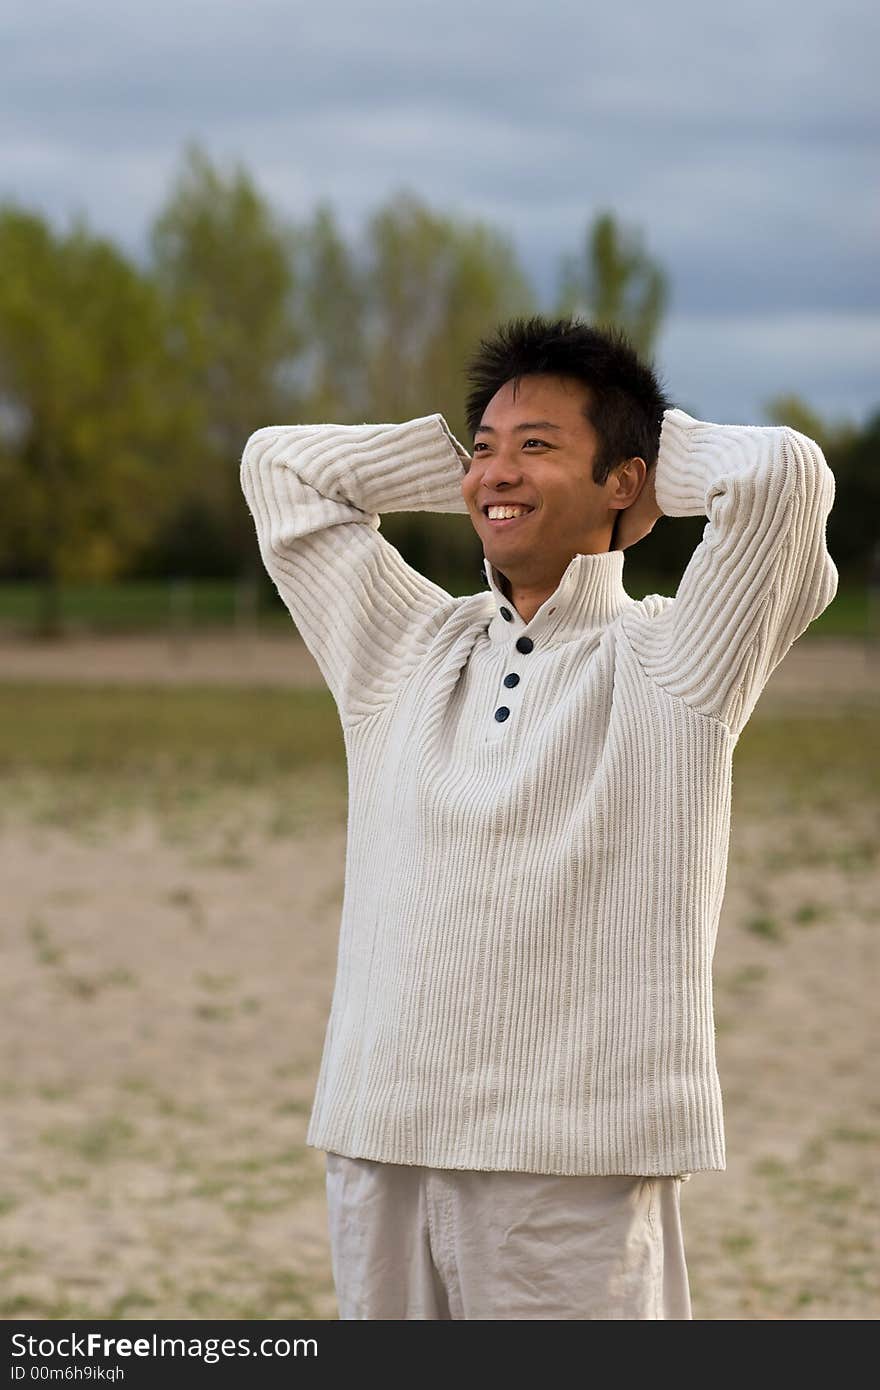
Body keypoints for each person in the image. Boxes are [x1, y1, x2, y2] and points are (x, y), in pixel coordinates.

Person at [239, 315, 839, 1319]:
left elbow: (783, 481)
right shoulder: (402, 647)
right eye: (486, 447)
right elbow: (279, 468)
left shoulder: (673, 664)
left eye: (537, 445)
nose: (496, 471)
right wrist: (471, 473)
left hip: (575, 1156)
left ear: (625, 480)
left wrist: (645, 466)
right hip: (381, 1130)